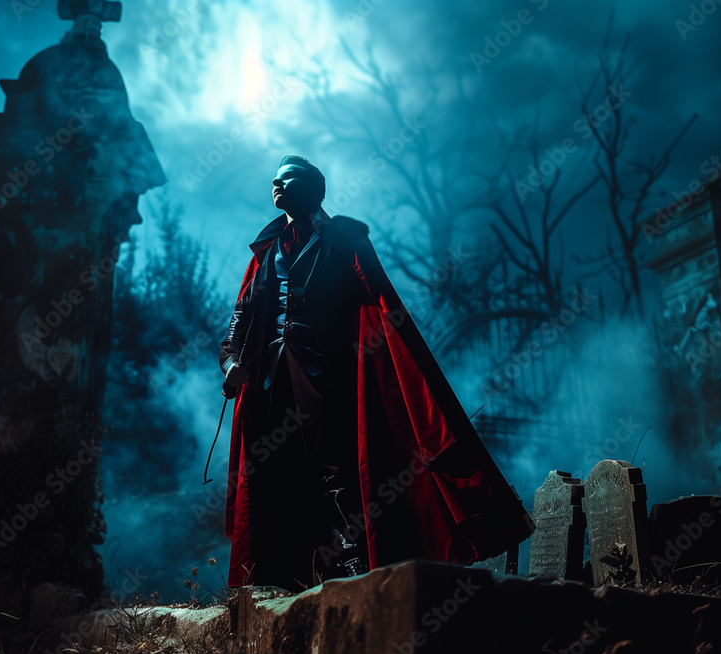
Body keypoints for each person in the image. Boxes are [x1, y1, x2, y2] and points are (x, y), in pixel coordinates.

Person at [219, 155, 532, 591]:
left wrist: (339, 238)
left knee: (338, 468)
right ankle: (289, 574)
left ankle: (354, 561)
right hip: (272, 380)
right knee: (279, 470)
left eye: (287, 178)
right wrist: (232, 362)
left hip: (329, 374)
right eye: (273, 178)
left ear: (313, 188)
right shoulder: (265, 253)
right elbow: (241, 316)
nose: (275, 183)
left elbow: (377, 296)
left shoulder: (343, 241)